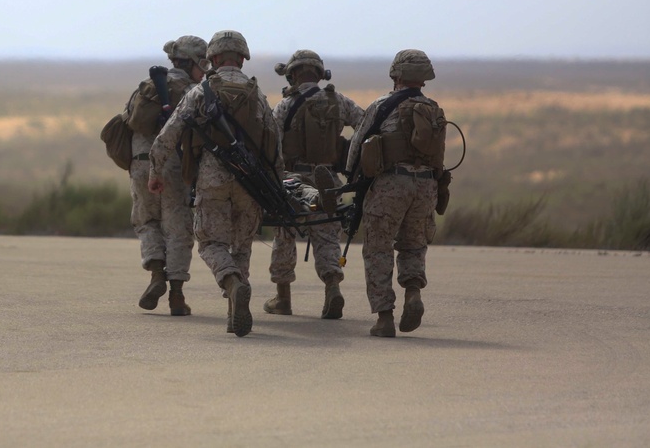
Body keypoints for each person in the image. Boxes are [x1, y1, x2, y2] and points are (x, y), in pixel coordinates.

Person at [148, 30, 282, 337]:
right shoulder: (256, 94)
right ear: (243, 58)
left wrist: (155, 172)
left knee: (211, 243)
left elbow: (168, 135)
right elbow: (275, 144)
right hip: (252, 181)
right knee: (243, 245)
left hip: (212, 178)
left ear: (214, 58)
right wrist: (276, 186)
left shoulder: (201, 91)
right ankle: (235, 301)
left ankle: (232, 284)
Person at [345, 49, 447, 338]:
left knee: (378, 248)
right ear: (424, 79)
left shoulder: (381, 105)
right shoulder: (434, 110)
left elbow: (357, 146)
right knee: (414, 245)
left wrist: (351, 180)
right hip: (425, 187)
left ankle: (384, 317)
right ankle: (412, 294)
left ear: (396, 75)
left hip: (390, 185)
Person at [263, 50, 364, 319]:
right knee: (328, 235)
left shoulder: (285, 105)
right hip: (328, 179)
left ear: (293, 75)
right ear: (320, 74)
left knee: (284, 235)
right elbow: (365, 125)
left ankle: (283, 299)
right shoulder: (339, 101)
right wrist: (348, 158)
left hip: (292, 179)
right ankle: (332, 288)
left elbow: (270, 142)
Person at [127, 35, 207, 316]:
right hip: (174, 165)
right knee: (179, 228)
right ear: (194, 62)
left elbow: (129, 122)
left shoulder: (146, 88)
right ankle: (176, 295)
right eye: (203, 63)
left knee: (147, 221)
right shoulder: (195, 91)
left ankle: (156, 274)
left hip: (139, 163)